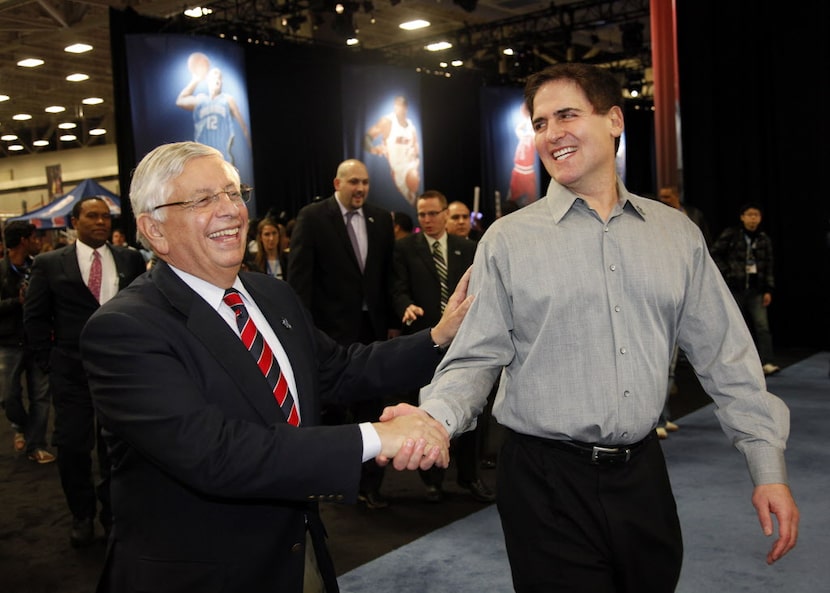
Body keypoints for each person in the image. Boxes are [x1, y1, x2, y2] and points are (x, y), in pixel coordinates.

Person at [383, 63, 799, 592]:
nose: (551, 133)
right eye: (539, 123)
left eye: (567, 115)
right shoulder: (509, 242)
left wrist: (768, 467)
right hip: (544, 484)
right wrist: (436, 421)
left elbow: (727, 357)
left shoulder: (677, 236)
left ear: (615, 121)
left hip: (644, 477)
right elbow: (473, 360)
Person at [78, 141, 471, 593]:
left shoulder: (271, 295)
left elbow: (340, 369)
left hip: (298, 555)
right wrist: (377, 436)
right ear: (155, 229)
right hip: (199, 575)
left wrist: (439, 336)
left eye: (233, 193)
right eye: (204, 199)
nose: (230, 210)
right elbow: (217, 453)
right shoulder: (125, 329)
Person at [23, 196, 146, 548]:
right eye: (92, 216)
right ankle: (82, 514)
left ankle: (113, 516)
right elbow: (34, 317)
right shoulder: (49, 263)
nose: (101, 222)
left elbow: (144, 309)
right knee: (74, 447)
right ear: (74, 221)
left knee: (117, 448)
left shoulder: (130, 258)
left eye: (106, 217)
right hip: (70, 374)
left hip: (120, 372)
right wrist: (49, 362)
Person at [288, 159, 401, 510]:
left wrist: (394, 320)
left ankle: (369, 487)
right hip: (329, 334)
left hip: (373, 331)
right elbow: (299, 282)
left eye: (365, 182)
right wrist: (301, 331)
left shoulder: (381, 219)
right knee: (334, 413)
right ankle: (334, 485)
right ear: (337, 182)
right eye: (354, 182)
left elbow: (388, 277)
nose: (361, 189)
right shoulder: (312, 217)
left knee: (374, 407)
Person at [392, 190, 494, 503]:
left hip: (465, 342)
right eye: (422, 215)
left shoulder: (468, 249)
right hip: (426, 342)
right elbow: (397, 288)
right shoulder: (405, 249)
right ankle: (432, 479)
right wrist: (405, 306)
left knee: (470, 409)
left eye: (433, 214)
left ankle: (469, 476)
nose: (427, 220)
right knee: (429, 408)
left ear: (445, 213)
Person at [654, 185, 713, 438]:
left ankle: (663, 417)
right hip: (658, 310)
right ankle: (656, 420)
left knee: (668, 369)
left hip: (680, 305)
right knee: (659, 367)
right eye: (661, 197)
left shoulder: (691, 220)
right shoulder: (651, 227)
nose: (663, 200)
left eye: (668, 197)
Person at [0, 221, 54, 463]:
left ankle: (36, 445)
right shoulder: (2, 270)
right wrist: (17, 302)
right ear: (23, 240)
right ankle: (21, 426)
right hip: (8, 342)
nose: (38, 242)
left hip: (37, 340)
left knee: (41, 397)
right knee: (8, 396)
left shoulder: (39, 267)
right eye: (33, 237)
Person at [711, 203, 780, 375]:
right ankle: (734, 364)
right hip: (735, 288)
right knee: (734, 326)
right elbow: (714, 253)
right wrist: (728, 273)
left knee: (762, 326)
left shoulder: (763, 239)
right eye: (749, 215)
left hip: (756, 290)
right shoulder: (732, 234)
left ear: (760, 218)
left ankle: (767, 362)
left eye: (756, 215)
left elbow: (769, 265)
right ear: (742, 217)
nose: (752, 218)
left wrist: (768, 290)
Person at [176, 61, 251, 166]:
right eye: (214, 75)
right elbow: (180, 101)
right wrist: (196, 80)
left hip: (223, 158)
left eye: (219, 77)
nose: (217, 79)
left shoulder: (227, 99)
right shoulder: (200, 99)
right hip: (202, 158)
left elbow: (245, 128)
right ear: (208, 80)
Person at [364, 96, 421, 205]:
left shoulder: (411, 126)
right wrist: (374, 149)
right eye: (396, 106)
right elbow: (367, 138)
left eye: (400, 106)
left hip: (410, 166)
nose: (397, 109)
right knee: (408, 200)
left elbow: (416, 144)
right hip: (395, 168)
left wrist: (417, 160)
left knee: (414, 183)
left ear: (405, 108)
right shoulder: (387, 122)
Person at [506, 102, 538, 207]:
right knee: (511, 202)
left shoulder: (534, 138)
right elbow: (518, 129)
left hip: (528, 174)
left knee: (532, 202)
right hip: (517, 172)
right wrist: (527, 119)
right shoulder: (523, 137)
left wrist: (530, 118)